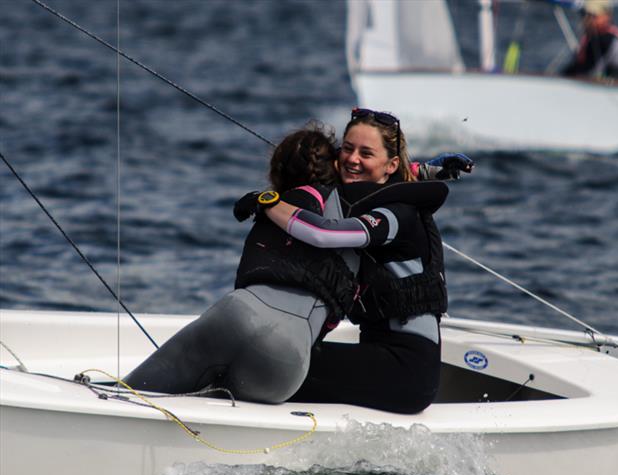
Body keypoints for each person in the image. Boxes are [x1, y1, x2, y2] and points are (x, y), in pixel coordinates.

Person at [123, 122, 359, 404]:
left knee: (128, 395)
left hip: (236, 318)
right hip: (287, 359)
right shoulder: (359, 227)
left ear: (277, 172)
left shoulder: (274, 207)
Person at [260, 108, 472, 414]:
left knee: (271, 361)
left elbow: (323, 234)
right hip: (379, 355)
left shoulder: (396, 213)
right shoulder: (365, 197)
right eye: (347, 148)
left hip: (405, 371)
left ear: (390, 165)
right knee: (276, 354)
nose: (352, 158)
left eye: (365, 152)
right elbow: (361, 176)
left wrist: (267, 203)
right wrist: (422, 169)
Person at [561, 0, 618, 79]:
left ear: (607, 15)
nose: (587, 20)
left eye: (593, 16)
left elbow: (589, 70)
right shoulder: (592, 37)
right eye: (584, 14)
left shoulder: (608, 39)